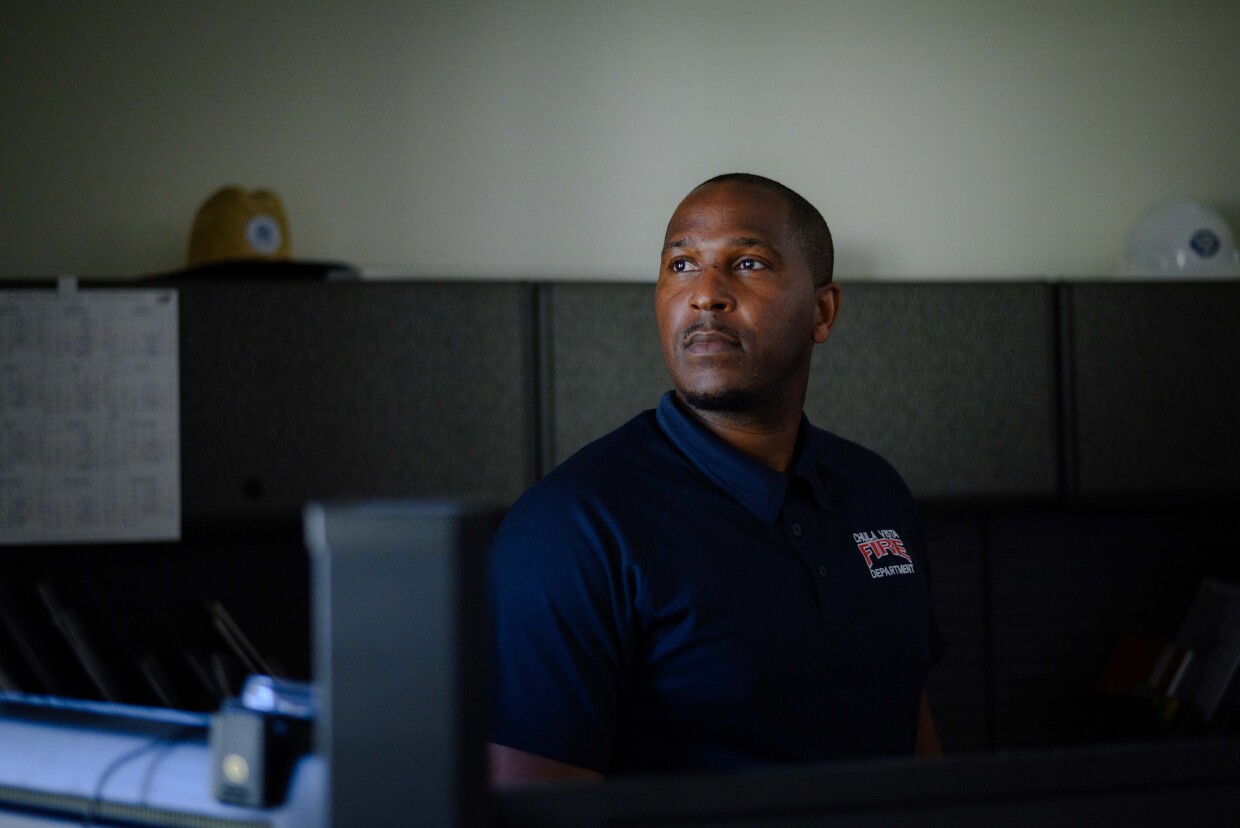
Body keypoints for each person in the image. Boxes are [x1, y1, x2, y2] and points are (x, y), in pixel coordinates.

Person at [488, 173, 945, 785]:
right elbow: (529, 808)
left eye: (748, 262)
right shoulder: (566, 531)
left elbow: (910, 730)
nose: (705, 294)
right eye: (681, 264)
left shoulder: (875, 491)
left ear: (822, 310)